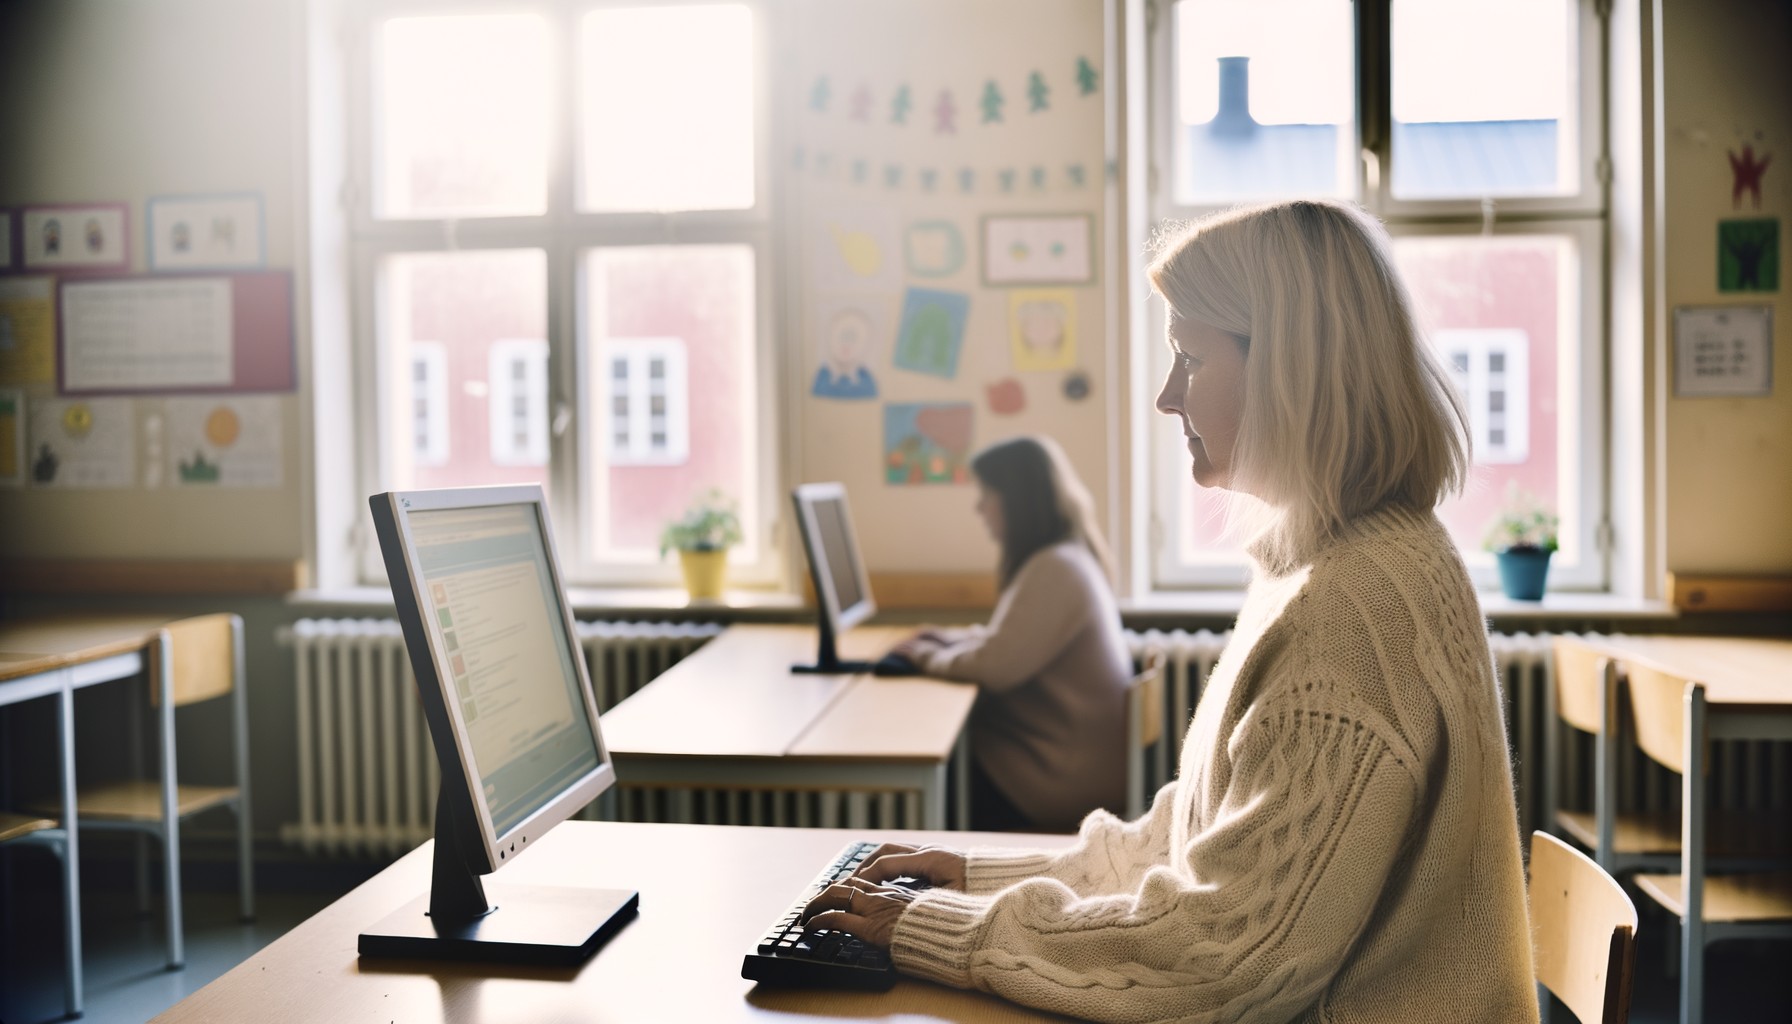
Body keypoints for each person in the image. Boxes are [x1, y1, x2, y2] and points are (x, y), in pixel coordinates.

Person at [803, 199, 1538, 1023]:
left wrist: (951, 934)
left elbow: (1225, 958)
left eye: (1189, 359)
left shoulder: (1355, 608)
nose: (1165, 397)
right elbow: (1197, 841)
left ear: (1289, 368)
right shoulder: (1333, 560)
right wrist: (973, 879)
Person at [886, 435, 1132, 834]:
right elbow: (1009, 641)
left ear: (1016, 499)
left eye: (987, 493)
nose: (979, 507)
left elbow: (997, 666)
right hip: (1072, 763)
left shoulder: (1055, 569)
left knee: (935, 761)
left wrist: (925, 657)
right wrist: (951, 641)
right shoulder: (1064, 558)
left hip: (1059, 779)